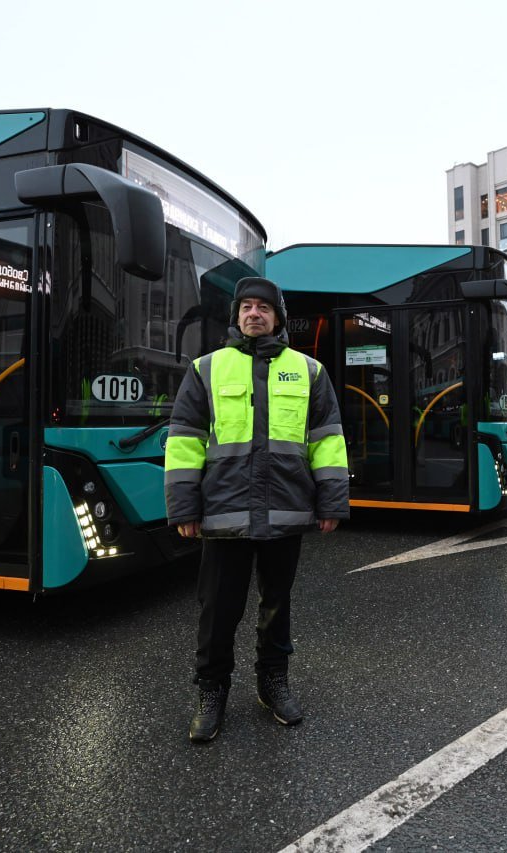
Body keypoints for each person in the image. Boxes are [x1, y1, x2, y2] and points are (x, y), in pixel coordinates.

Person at [164, 277, 349, 744]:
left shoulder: (309, 371)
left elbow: (326, 441)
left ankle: (273, 683)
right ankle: (212, 692)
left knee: (277, 605)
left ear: (278, 318)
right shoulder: (206, 368)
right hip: (224, 515)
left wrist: (331, 501)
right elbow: (184, 440)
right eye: (246, 307)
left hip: (285, 511)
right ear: (236, 316)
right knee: (218, 611)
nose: (254, 314)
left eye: (263, 308)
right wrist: (184, 506)